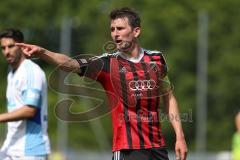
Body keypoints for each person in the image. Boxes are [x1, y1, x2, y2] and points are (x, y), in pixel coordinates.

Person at [16, 7, 187, 160]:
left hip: (157, 148)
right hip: (127, 149)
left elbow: (169, 98)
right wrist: (44, 52)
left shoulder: (156, 59)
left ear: (136, 31)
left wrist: (180, 137)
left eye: (120, 28)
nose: (115, 33)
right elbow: (71, 64)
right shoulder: (107, 63)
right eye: (112, 29)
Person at [0, 29, 50, 160]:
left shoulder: (31, 71)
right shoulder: (11, 74)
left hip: (30, 150)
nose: (6, 51)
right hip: (11, 148)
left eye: (11, 46)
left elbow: (29, 111)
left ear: (21, 46)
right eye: (3, 48)